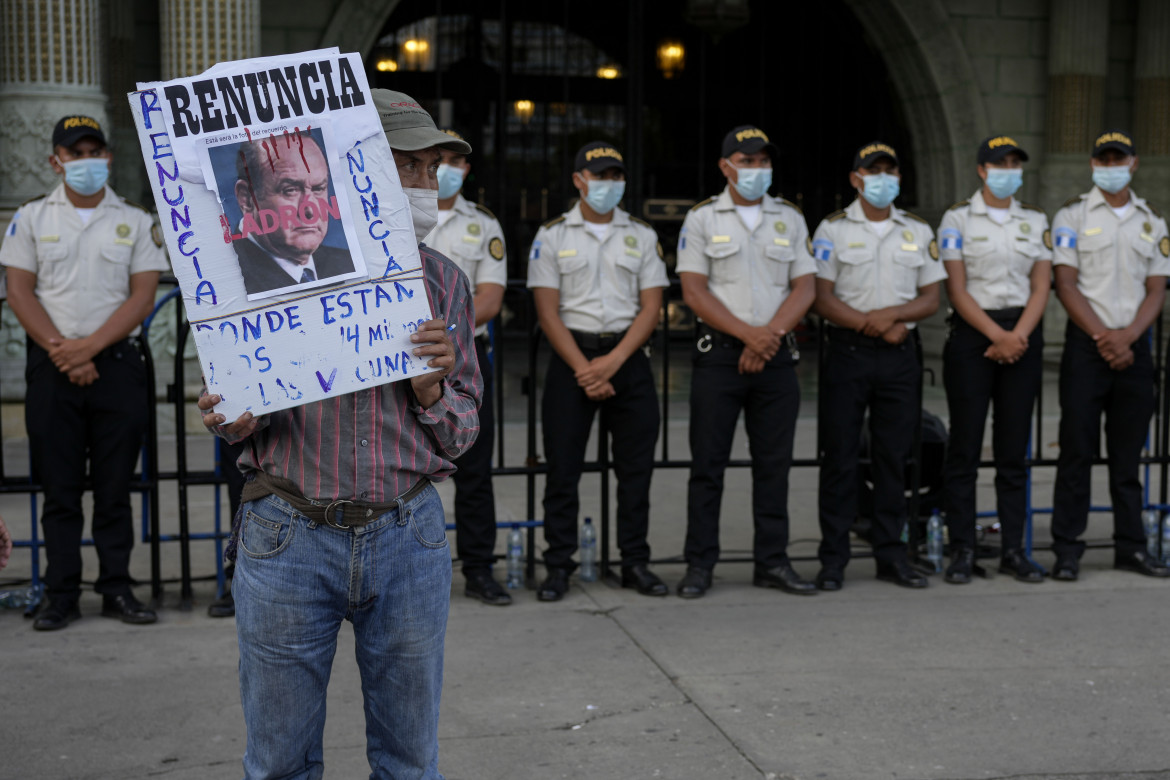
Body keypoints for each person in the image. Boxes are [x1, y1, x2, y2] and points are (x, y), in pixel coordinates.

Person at [198, 89, 482, 779]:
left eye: (430, 168)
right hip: (289, 534)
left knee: (410, 761)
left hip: (406, 534)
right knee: (280, 761)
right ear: (363, 170)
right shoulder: (262, 274)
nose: (425, 184)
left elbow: (465, 431)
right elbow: (237, 413)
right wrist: (233, 416)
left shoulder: (443, 281)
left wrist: (432, 390)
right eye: (407, 167)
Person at [0, 115, 167, 630]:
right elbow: (20, 290)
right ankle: (61, 593)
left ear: (109, 158)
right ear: (57, 160)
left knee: (116, 489)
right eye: (76, 153)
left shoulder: (135, 220)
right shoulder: (30, 218)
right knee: (60, 489)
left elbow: (142, 295)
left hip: (116, 367)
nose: (86, 161)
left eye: (95, 151)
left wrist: (87, 350)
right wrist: (63, 352)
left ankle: (117, 587)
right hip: (53, 368)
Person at [673, 124, 817, 599]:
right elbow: (694, 291)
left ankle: (772, 562)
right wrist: (749, 336)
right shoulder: (703, 219)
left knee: (774, 467)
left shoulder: (790, 218)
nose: (757, 169)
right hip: (720, 358)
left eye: (763, 161)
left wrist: (769, 337)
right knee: (707, 467)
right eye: (747, 160)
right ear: (726, 166)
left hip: (775, 355)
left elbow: (805, 286)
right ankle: (700, 565)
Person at [527, 141, 669, 601]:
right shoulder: (553, 235)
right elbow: (547, 312)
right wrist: (586, 368)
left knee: (636, 473)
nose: (608, 184)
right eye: (600, 175)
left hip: (627, 360)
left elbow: (652, 308)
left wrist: (612, 362)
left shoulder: (643, 235)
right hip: (573, 360)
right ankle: (559, 566)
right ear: (579, 180)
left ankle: (634, 562)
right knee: (562, 473)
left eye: (615, 175)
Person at [811, 141, 946, 590]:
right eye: (873, 171)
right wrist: (875, 323)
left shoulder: (917, 230)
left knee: (894, 458)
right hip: (848, 353)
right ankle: (833, 558)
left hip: (899, 355)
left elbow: (931, 297)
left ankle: (893, 554)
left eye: (890, 171)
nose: (882, 178)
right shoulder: (831, 230)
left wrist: (893, 319)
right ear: (855, 179)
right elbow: (822, 298)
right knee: (841, 458)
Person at [1050, 129, 1170, 581]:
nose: (1112, 166)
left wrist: (1129, 337)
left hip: (1134, 344)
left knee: (1127, 459)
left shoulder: (1151, 221)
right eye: (1104, 159)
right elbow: (1065, 283)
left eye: (1119, 159)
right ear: (1093, 165)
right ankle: (1067, 548)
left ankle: (1131, 547)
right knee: (1076, 452)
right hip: (1088, 345)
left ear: (1134, 164)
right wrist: (1105, 337)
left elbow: (1157, 288)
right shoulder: (1072, 215)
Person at [938, 136, 1052, 584]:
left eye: (1014, 163)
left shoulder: (1035, 220)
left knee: (1012, 451)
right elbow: (956, 287)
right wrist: (995, 336)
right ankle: (963, 548)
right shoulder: (958, 218)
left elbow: (1042, 286)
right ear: (982, 170)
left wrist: (1017, 336)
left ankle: (1013, 550)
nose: (1008, 170)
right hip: (974, 336)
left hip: (1021, 336)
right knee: (964, 448)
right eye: (999, 163)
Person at [424, 129, 511, 605]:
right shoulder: (394, 214)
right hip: (401, 361)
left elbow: (492, 298)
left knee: (475, 469)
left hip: (467, 358)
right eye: (440, 159)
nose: (448, 168)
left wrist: (443, 339)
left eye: (457, 160)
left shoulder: (483, 224)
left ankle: (480, 568)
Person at [231, 132, 355, 296]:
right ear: (246, 198)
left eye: (318, 189)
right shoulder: (229, 278)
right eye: (290, 190)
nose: (310, 211)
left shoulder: (348, 262)